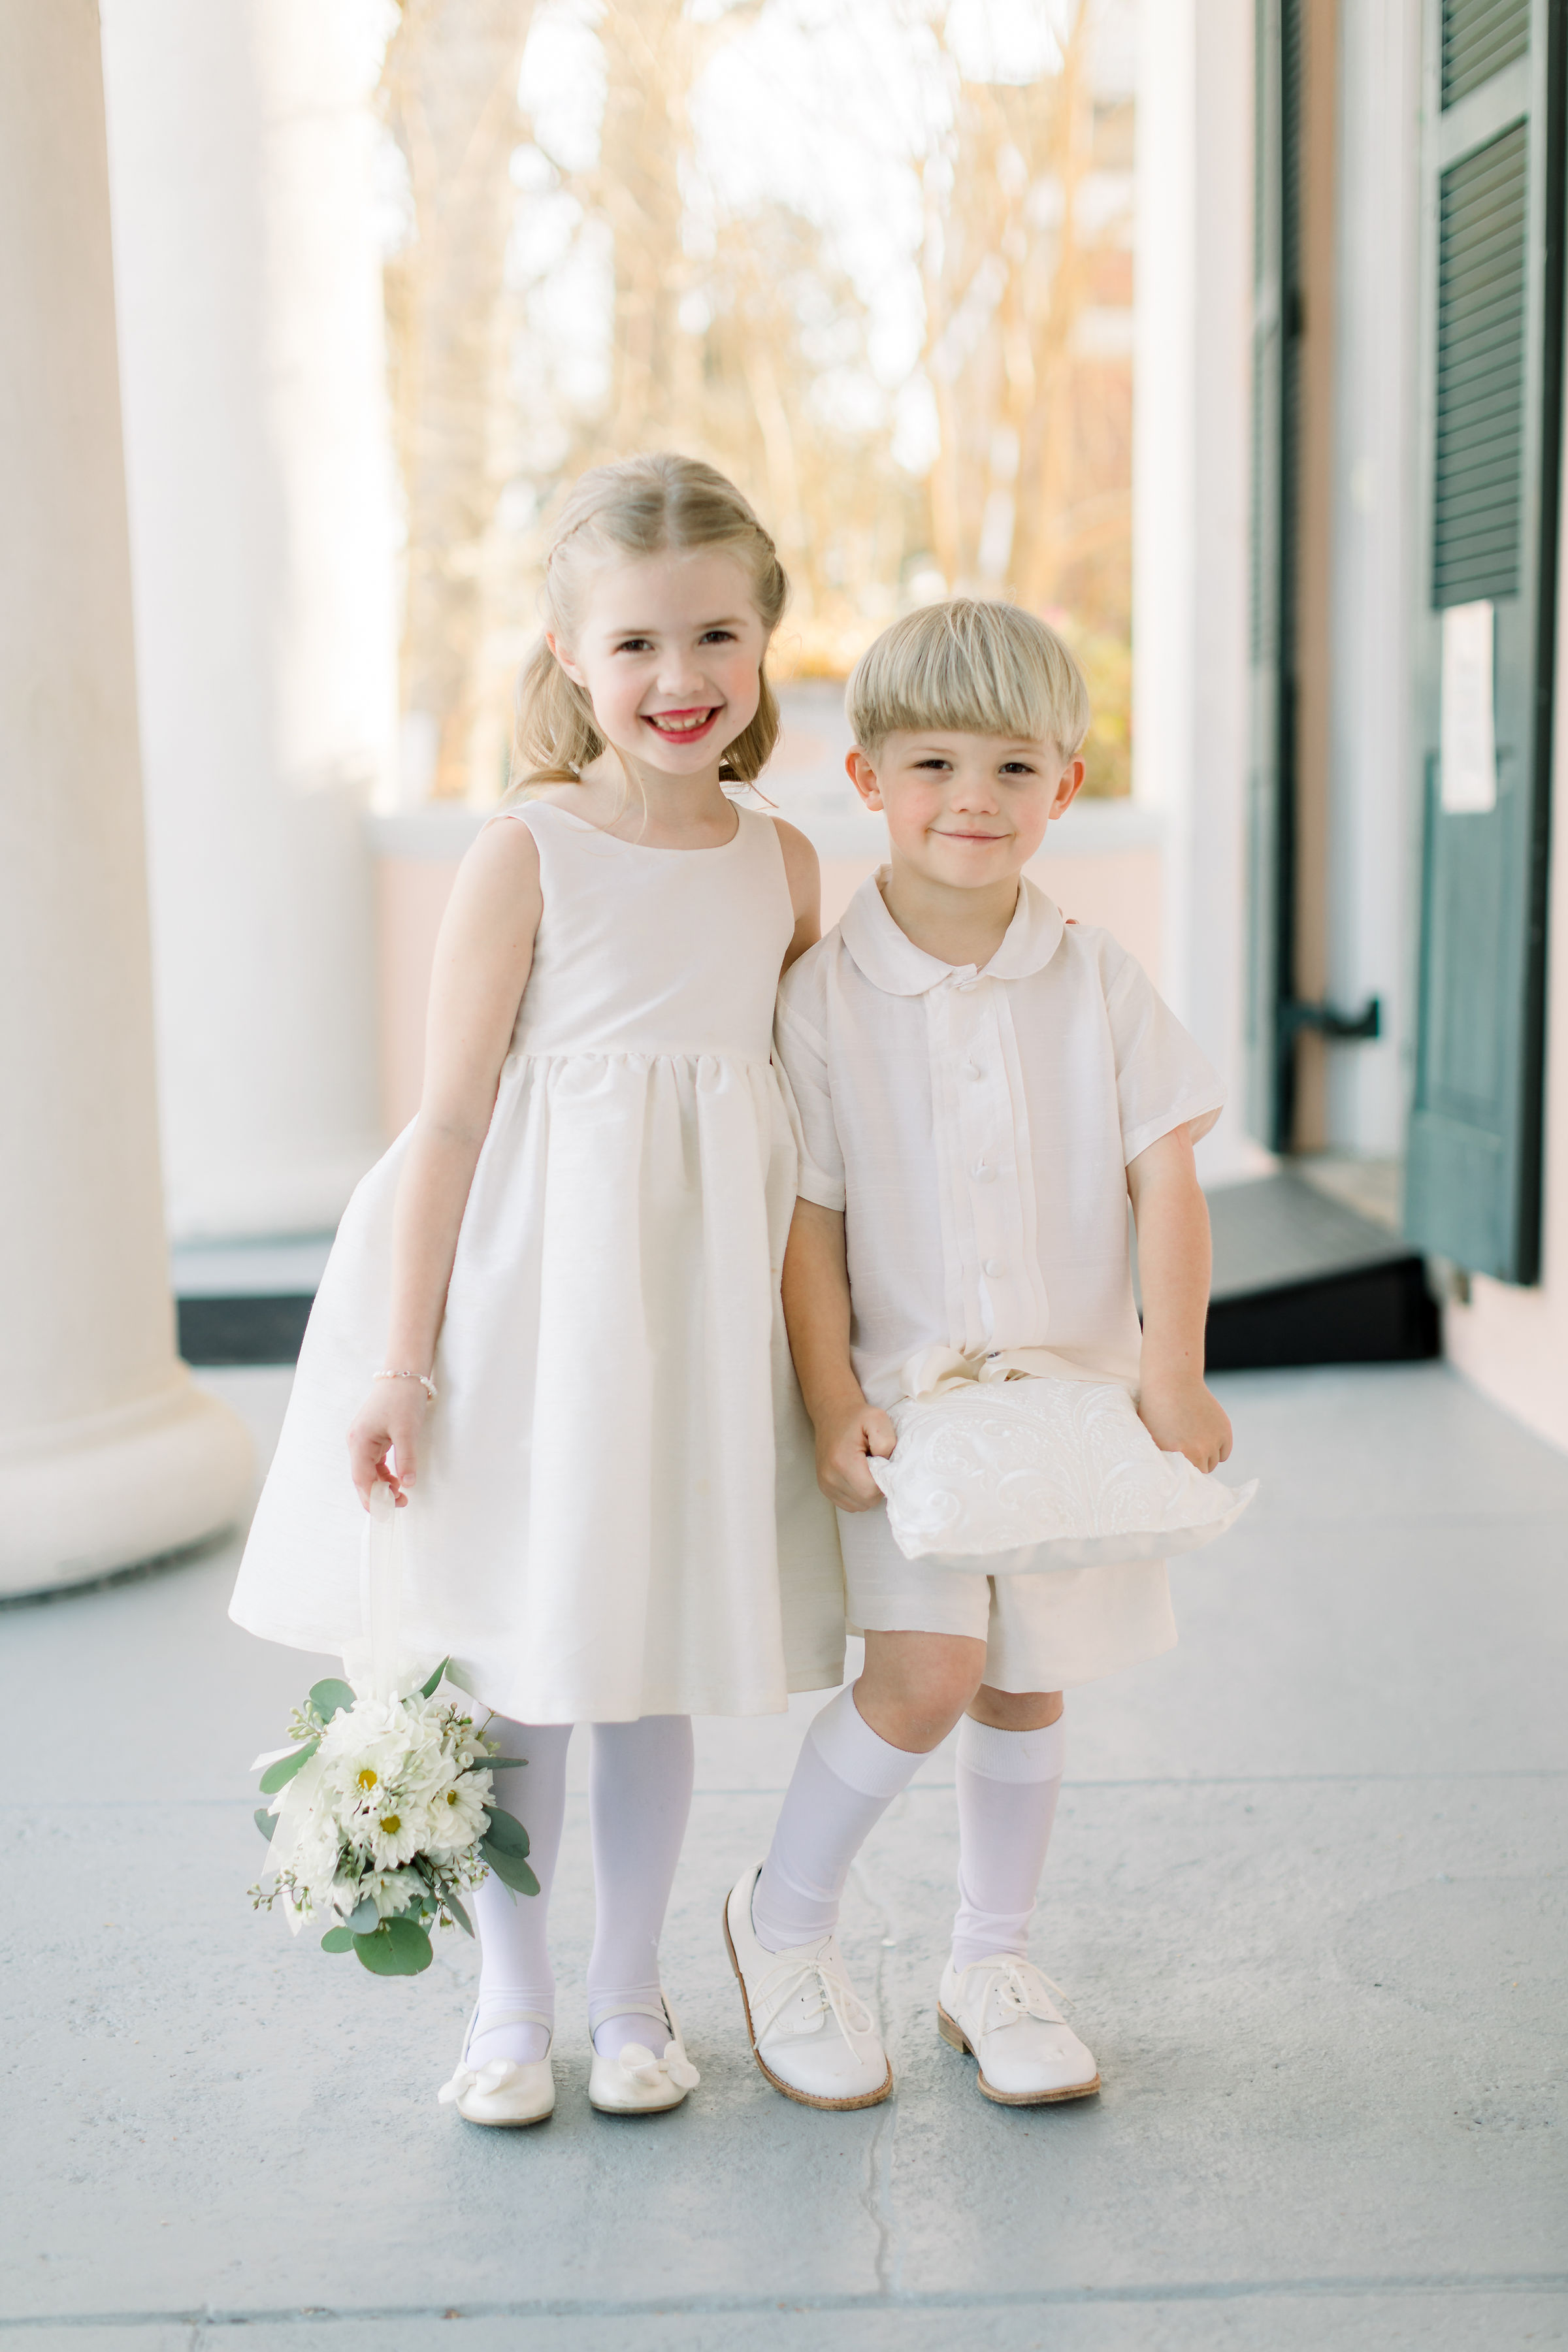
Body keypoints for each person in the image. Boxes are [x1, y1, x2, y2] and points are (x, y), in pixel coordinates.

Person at [231, 453, 844, 2127]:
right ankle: (510, 2008)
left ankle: (632, 1993)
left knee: (648, 1658)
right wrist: (403, 1362)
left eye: (715, 636)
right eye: (636, 643)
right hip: (532, 1317)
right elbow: (447, 1120)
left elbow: (806, 1130)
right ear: (571, 654)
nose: (679, 678)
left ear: (766, 641)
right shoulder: (530, 850)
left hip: (693, 1324)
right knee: (527, 1662)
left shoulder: (785, 868)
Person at [723, 598, 1229, 2110]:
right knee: (927, 1675)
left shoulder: (1098, 978)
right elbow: (810, 1219)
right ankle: (783, 1923)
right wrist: (833, 1400)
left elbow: (1166, 1178)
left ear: (1065, 784)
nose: (975, 801)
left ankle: (989, 1962)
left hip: (1075, 1407)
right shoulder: (822, 997)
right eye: (935, 765)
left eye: (1014, 768)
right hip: (912, 1416)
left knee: (1028, 1682)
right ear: (868, 777)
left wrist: (1174, 1372)